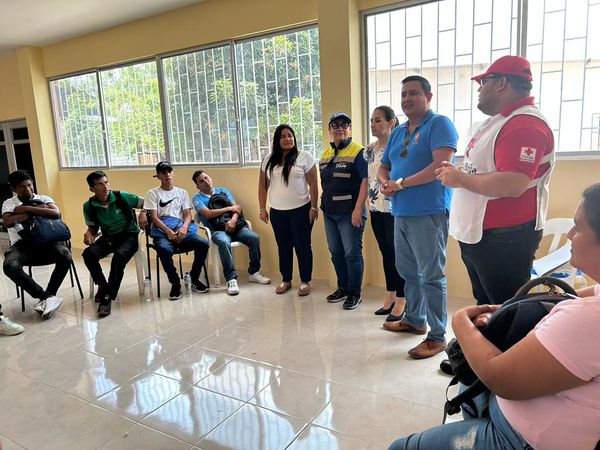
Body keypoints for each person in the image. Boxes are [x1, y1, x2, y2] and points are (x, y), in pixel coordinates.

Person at [388, 183, 600, 450]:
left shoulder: (589, 320)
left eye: (578, 228)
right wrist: (505, 309)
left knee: (400, 447)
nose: (569, 234)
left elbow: (499, 377)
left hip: (522, 438)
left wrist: (461, 322)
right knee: (470, 376)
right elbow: (570, 297)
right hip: (521, 411)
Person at [436, 55, 555, 306]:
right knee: (487, 307)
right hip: (482, 235)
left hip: (504, 239)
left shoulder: (525, 124)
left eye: (484, 82)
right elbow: (484, 168)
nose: (479, 89)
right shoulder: (500, 121)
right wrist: (460, 174)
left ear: (501, 83)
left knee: (505, 310)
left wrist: (460, 178)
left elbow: (513, 182)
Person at [377, 76, 458, 359]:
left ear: (428, 97)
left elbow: (440, 166)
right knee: (408, 272)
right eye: (403, 94)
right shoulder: (398, 131)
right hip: (400, 212)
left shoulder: (439, 124)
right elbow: (384, 166)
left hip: (429, 213)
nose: (407, 99)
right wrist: (385, 182)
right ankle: (414, 320)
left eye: (413, 93)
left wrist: (401, 184)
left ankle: (437, 336)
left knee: (432, 276)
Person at [258, 124, 319, 296]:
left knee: (302, 246)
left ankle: (305, 281)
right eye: (283, 136)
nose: (287, 139)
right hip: (278, 212)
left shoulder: (304, 157)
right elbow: (262, 186)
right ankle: (286, 279)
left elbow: (314, 184)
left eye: (290, 135)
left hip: (301, 210)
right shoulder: (268, 160)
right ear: (277, 140)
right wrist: (262, 208)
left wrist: (314, 207)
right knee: (283, 247)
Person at [2, 170, 70, 320]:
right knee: (9, 266)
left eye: (30, 184)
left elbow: (55, 213)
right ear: (13, 188)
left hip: (49, 242)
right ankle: (46, 297)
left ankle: (50, 294)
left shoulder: (44, 198)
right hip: (22, 245)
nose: (28, 189)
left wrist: (26, 209)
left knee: (66, 256)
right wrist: (40, 210)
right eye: (23, 186)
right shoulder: (9, 203)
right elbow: (8, 222)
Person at [192, 170, 271, 296]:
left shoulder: (223, 191)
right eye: (201, 181)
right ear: (197, 186)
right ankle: (231, 279)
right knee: (224, 242)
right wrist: (229, 208)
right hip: (217, 231)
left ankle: (254, 273)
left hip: (236, 227)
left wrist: (233, 221)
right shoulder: (197, 198)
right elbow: (207, 214)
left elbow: (237, 208)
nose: (206, 181)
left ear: (210, 178)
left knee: (254, 238)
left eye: (206, 178)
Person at [82, 171, 148, 317]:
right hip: (109, 237)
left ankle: (106, 298)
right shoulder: (89, 206)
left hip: (130, 236)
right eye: (100, 184)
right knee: (88, 254)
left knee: (119, 257)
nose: (105, 186)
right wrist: (89, 233)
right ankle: (103, 286)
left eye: (106, 182)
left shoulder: (121, 196)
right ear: (92, 189)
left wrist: (143, 212)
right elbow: (93, 227)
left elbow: (147, 202)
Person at [320, 112, 368, 310]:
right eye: (335, 125)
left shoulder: (358, 151)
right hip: (329, 213)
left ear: (349, 129)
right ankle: (343, 287)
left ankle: (355, 293)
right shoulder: (325, 154)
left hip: (350, 213)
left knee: (352, 255)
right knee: (336, 253)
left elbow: (365, 181)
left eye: (344, 125)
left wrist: (358, 209)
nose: (340, 128)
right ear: (329, 130)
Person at [143, 161, 209, 300]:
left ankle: (193, 279)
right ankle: (175, 283)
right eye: (163, 173)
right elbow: (154, 217)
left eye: (169, 171)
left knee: (203, 244)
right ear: (158, 176)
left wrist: (184, 228)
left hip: (180, 229)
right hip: (162, 231)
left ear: (173, 173)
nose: (167, 175)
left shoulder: (182, 192)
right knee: (164, 249)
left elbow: (187, 214)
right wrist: (167, 231)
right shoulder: (152, 193)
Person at [365, 106, 406, 321]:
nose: (373, 124)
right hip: (375, 207)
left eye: (378, 120)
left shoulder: (400, 147)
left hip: (394, 208)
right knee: (386, 253)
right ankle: (391, 294)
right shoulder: (368, 150)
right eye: (372, 120)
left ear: (392, 122)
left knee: (398, 254)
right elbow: (367, 179)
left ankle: (402, 298)